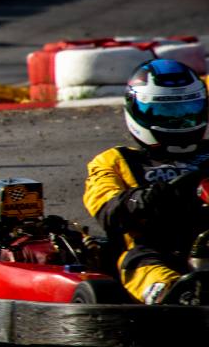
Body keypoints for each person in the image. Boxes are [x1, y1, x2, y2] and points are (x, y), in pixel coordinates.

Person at [83, 59, 209, 305]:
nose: (180, 121)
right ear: (137, 110)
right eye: (168, 113)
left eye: (189, 111)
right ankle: (177, 296)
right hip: (157, 249)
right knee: (138, 260)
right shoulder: (117, 161)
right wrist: (151, 197)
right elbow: (107, 209)